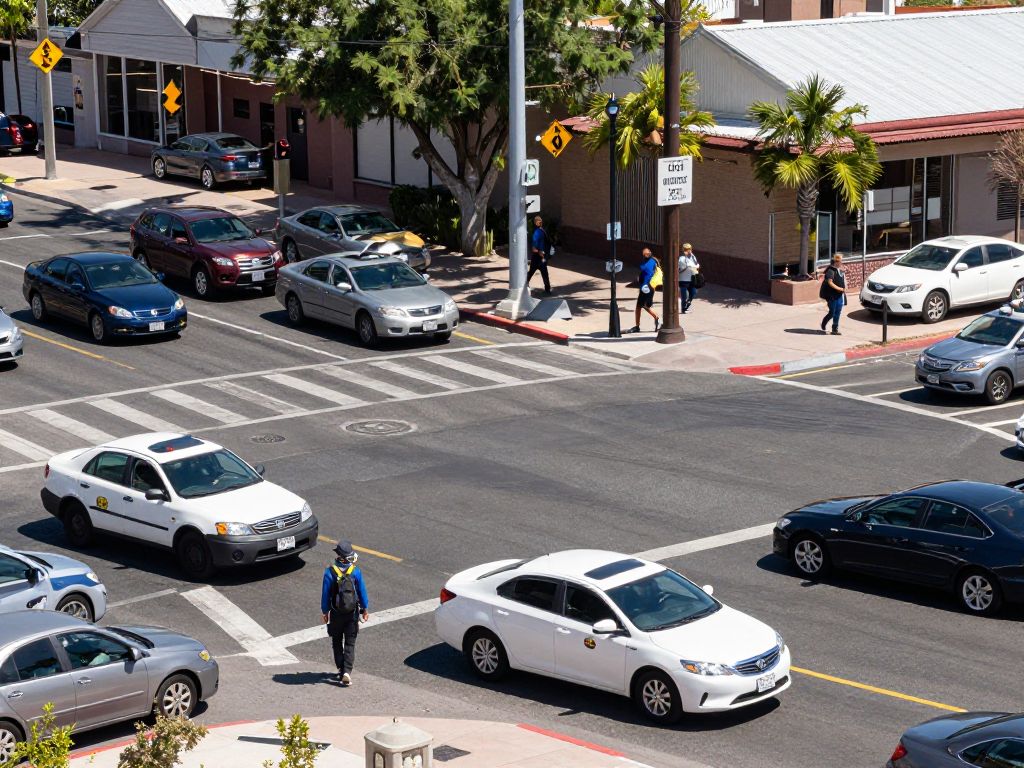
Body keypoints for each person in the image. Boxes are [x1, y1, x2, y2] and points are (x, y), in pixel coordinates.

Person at [320, 540, 370, 686]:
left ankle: (341, 669)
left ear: (338, 555)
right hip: (352, 614)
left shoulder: (329, 572)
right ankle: (347, 671)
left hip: (336, 614)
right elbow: (362, 593)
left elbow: (325, 595)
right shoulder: (355, 571)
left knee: (336, 641)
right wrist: (365, 609)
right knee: (350, 643)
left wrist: (325, 612)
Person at [630, 248, 660, 333]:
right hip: (645, 287)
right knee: (639, 306)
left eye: (647, 253)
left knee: (644, 306)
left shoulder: (649, 263)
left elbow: (647, 272)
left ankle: (657, 318)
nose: (646, 254)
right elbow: (644, 274)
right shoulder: (653, 261)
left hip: (648, 287)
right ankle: (637, 326)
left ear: (650, 253)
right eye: (644, 254)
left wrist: (640, 279)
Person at [819, 254, 846, 336]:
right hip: (832, 296)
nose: (842, 262)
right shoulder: (831, 271)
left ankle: (835, 329)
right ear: (837, 261)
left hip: (839, 296)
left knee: (838, 312)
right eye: (841, 260)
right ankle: (824, 323)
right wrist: (840, 289)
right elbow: (830, 282)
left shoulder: (839, 269)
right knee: (832, 312)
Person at [527, 215, 551, 294]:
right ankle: (547, 289)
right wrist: (540, 252)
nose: (539, 223)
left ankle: (547, 289)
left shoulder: (541, 231)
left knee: (541, 273)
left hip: (540, 256)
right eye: (538, 222)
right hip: (538, 256)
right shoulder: (538, 232)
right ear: (536, 223)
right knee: (537, 272)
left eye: (540, 221)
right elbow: (533, 248)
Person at [678, 243, 700, 314]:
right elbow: (687, 265)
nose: (688, 250)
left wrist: (696, 266)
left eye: (689, 249)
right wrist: (695, 266)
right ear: (683, 250)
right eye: (686, 249)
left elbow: (696, 265)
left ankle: (688, 304)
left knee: (693, 292)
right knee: (684, 295)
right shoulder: (681, 258)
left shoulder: (693, 257)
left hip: (692, 278)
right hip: (683, 279)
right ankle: (683, 309)